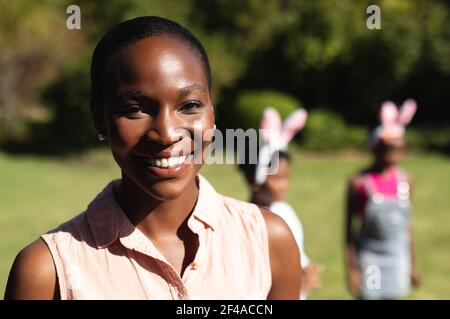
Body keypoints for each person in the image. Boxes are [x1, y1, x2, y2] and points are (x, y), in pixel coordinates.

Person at [4, 16, 301, 300]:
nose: (167, 133)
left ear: (212, 109)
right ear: (99, 117)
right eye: (135, 110)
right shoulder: (47, 271)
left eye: (190, 105)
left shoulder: (267, 241)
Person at [239, 107, 322, 300]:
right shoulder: (246, 221)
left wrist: (306, 270)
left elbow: (297, 252)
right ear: (255, 180)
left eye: (286, 178)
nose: (285, 185)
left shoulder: (285, 212)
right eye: (277, 178)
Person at [345, 100, 421, 299]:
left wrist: (413, 264)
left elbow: (407, 226)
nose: (394, 152)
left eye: (399, 147)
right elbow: (348, 229)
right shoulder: (359, 182)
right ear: (375, 147)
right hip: (371, 258)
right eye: (388, 147)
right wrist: (351, 268)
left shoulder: (405, 181)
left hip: (398, 257)